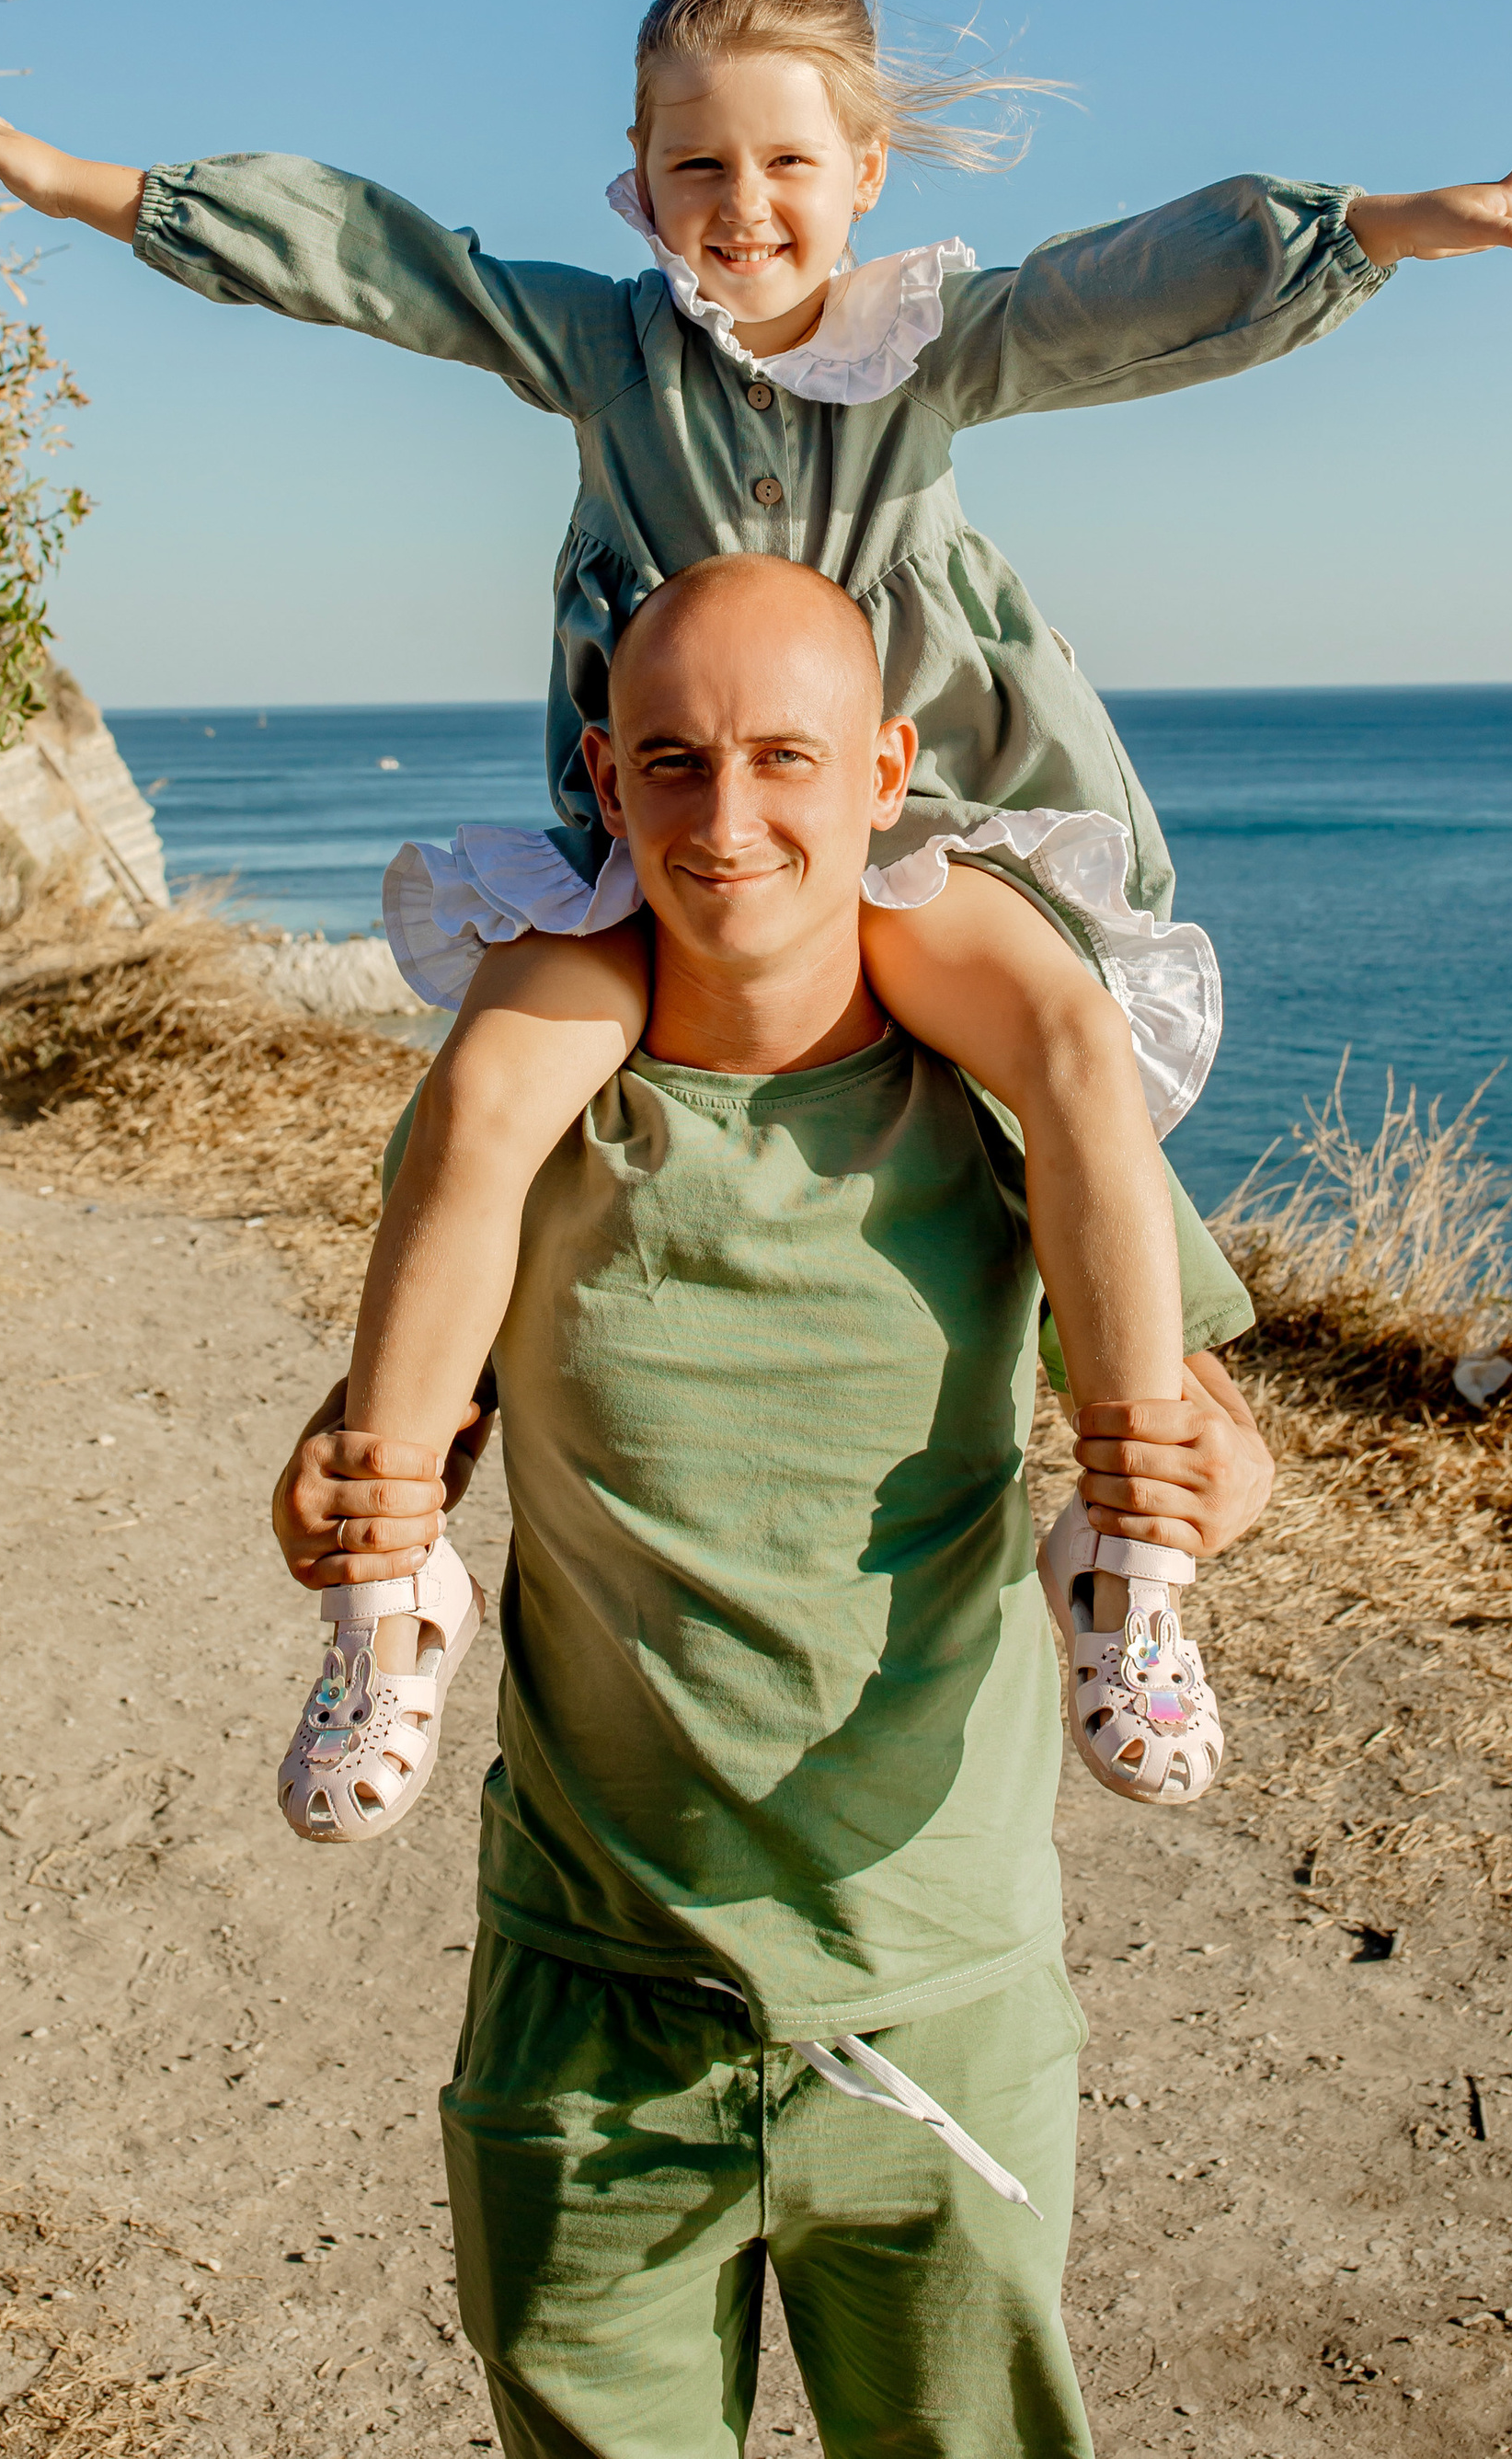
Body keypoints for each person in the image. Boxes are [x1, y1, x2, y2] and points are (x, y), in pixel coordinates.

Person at [0, 0, 1512, 1823]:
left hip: (903, 828)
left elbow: (1134, 291)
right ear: (638, 177)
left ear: (864, 172)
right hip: (666, 836)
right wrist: (112, 195)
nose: (741, 210)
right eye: (696, 167)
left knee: (1050, 1044)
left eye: (786, 165)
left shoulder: (934, 347)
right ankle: (391, 1574)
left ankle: (1131, 1556)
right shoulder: (598, 345)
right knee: (488, 1088)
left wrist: (1382, 226)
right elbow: (396, 272)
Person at [269, 557, 1276, 2459]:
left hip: (935, 1997)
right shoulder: (526, 1096)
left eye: (783, 760)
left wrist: (1187, 1498)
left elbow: (1224, 1432)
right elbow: (375, 1438)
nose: (726, 822)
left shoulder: (999, 1098)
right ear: (606, 777)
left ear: (885, 773)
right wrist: (333, 1513)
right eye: (672, 764)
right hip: (592, 2012)